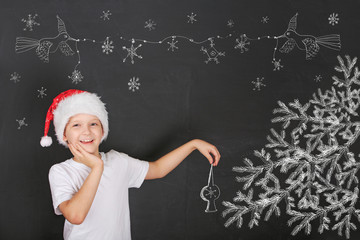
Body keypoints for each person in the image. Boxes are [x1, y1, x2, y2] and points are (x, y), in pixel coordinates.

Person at [40, 89, 221, 240]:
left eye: (93, 123)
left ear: (102, 130)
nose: (86, 131)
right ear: (64, 135)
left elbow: (158, 169)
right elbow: (76, 216)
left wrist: (193, 144)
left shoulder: (118, 161)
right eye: (76, 125)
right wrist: (96, 167)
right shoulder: (60, 171)